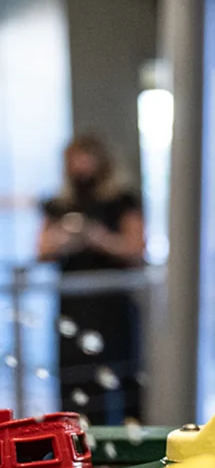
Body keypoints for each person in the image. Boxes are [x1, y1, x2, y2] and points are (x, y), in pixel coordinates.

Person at [38, 133, 145, 425]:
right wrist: (64, 238)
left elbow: (136, 249)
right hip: (73, 308)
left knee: (121, 379)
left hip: (113, 306)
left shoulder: (121, 201)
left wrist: (98, 238)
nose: (80, 167)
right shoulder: (58, 204)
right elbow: (42, 250)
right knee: (75, 379)